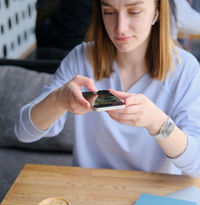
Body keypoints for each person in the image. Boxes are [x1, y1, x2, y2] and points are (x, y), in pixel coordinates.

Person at [15, 0, 200, 177]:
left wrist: (158, 123)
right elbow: (24, 132)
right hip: (90, 191)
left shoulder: (185, 69)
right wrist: (58, 100)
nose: (120, 28)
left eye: (134, 11)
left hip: (155, 198)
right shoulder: (81, 58)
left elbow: (196, 165)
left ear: (157, 12)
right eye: (109, 12)